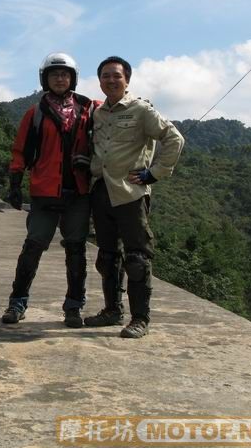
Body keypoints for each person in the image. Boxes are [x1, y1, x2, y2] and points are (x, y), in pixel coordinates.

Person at [83, 56, 184, 338]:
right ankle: (112, 310)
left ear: (127, 79)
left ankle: (140, 319)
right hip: (101, 191)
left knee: (137, 258)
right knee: (107, 257)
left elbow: (174, 138)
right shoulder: (99, 114)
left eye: (116, 75)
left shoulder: (141, 110)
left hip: (131, 194)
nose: (111, 80)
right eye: (105, 76)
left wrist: (155, 173)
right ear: (100, 81)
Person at [1, 53, 99, 328]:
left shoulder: (88, 109)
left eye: (65, 74)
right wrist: (14, 183)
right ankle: (17, 303)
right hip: (45, 191)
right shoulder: (36, 113)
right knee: (32, 248)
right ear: (45, 78)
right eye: (54, 74)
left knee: (76, 251)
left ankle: (73, 307)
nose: (60, 78)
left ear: (73, 79)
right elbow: (20, 150)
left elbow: (111, 120)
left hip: (77, 191)